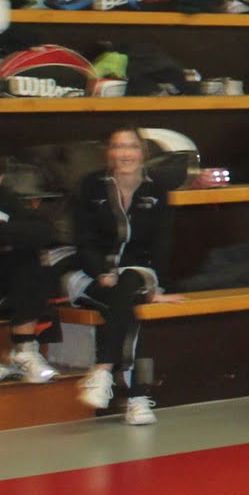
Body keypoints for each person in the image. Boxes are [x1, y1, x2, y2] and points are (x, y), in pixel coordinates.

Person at [66, 127, 179, 424]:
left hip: (139, 273)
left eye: (131, 146)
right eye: (117, 146)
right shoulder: (91, 185)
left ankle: (103, 370)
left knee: (128, 287)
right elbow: (83, 240)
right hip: (92, 275)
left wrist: (159, 288)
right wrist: (101, 272)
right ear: (108, 152)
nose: (124, 153)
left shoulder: (157, 189)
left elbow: (163, 243)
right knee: (127, 307)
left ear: (143, 153)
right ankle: (136, 397)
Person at [0, 148, 60, 385]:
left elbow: (44, 231)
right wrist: (5, 240)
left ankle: (25, 351)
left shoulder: (4, 199)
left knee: (28, 255)